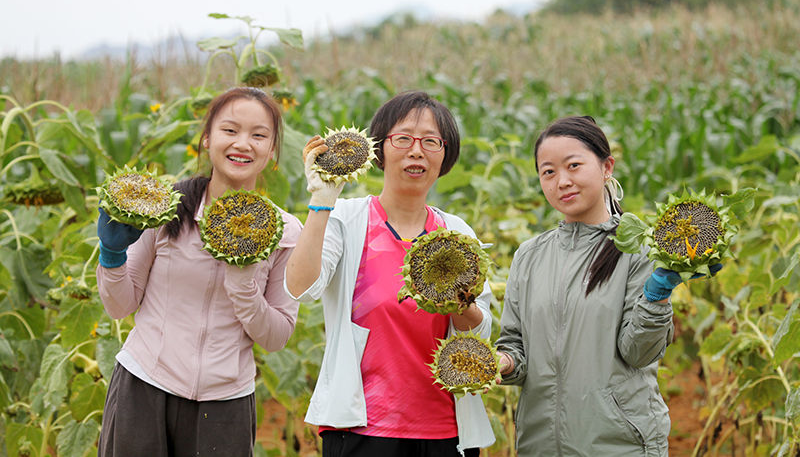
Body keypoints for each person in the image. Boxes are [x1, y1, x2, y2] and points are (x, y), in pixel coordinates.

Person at [284, 90, 495, 457]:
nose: (417, 151)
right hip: (362, 430)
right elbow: (301, 287)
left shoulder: (457, 232)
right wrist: (322, 200)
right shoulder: (347, 220)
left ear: (445, 155)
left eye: (431, 141)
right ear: (379, 149)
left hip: (447, 432)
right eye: (403, 139)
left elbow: (478, 332)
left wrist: (461, 301)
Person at [95, 87, 302, 457]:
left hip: (225, 406)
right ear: (207, 138)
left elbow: (276, 336)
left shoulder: (284, 232)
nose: (243, 144)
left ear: (272, 151)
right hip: (143, 388)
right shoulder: (166, 210)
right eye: (230, 130)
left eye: (258, 135)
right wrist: (112, 255)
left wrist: (243, 284)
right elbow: (120, 306)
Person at [495, 115, 717, 456]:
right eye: (548, 172)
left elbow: (639, 353)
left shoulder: (640, 249)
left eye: (574, 165)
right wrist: (504, 363)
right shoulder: (529, 255)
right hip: (539, 445)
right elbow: (515, 345)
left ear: (606, 167)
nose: (562, 181)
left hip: (619, 444)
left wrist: (656, 297)